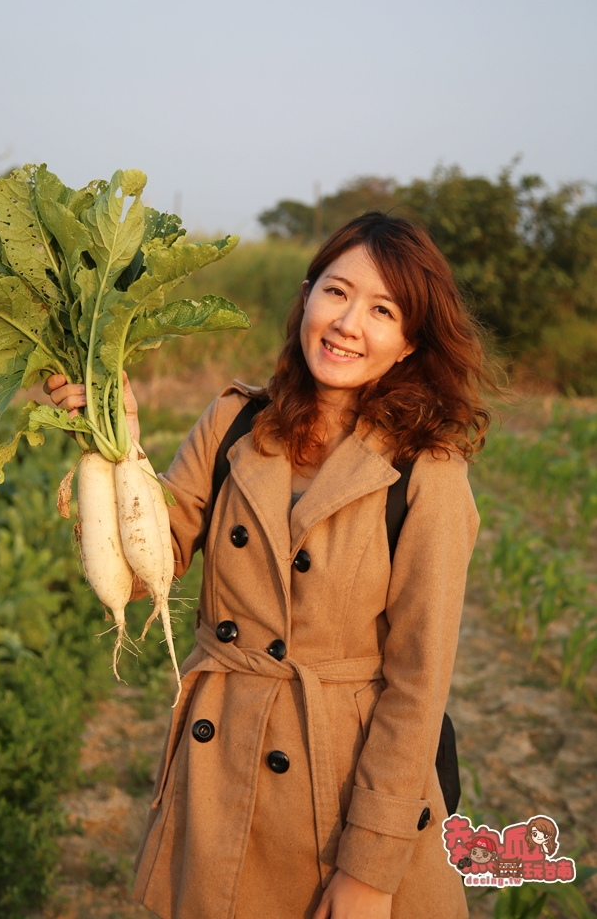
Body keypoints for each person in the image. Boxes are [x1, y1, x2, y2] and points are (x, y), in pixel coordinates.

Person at [45, 211, 490, 919]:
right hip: (220, 772)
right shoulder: (233, 424)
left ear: (408, 345)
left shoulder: (425, 471)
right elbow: (138, 576)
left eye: (382, 310)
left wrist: (369, 872)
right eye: (336, 292)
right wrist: (114, 446)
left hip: (344, 789)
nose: (348, 323)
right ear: (307, 296)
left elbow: (417, 685)